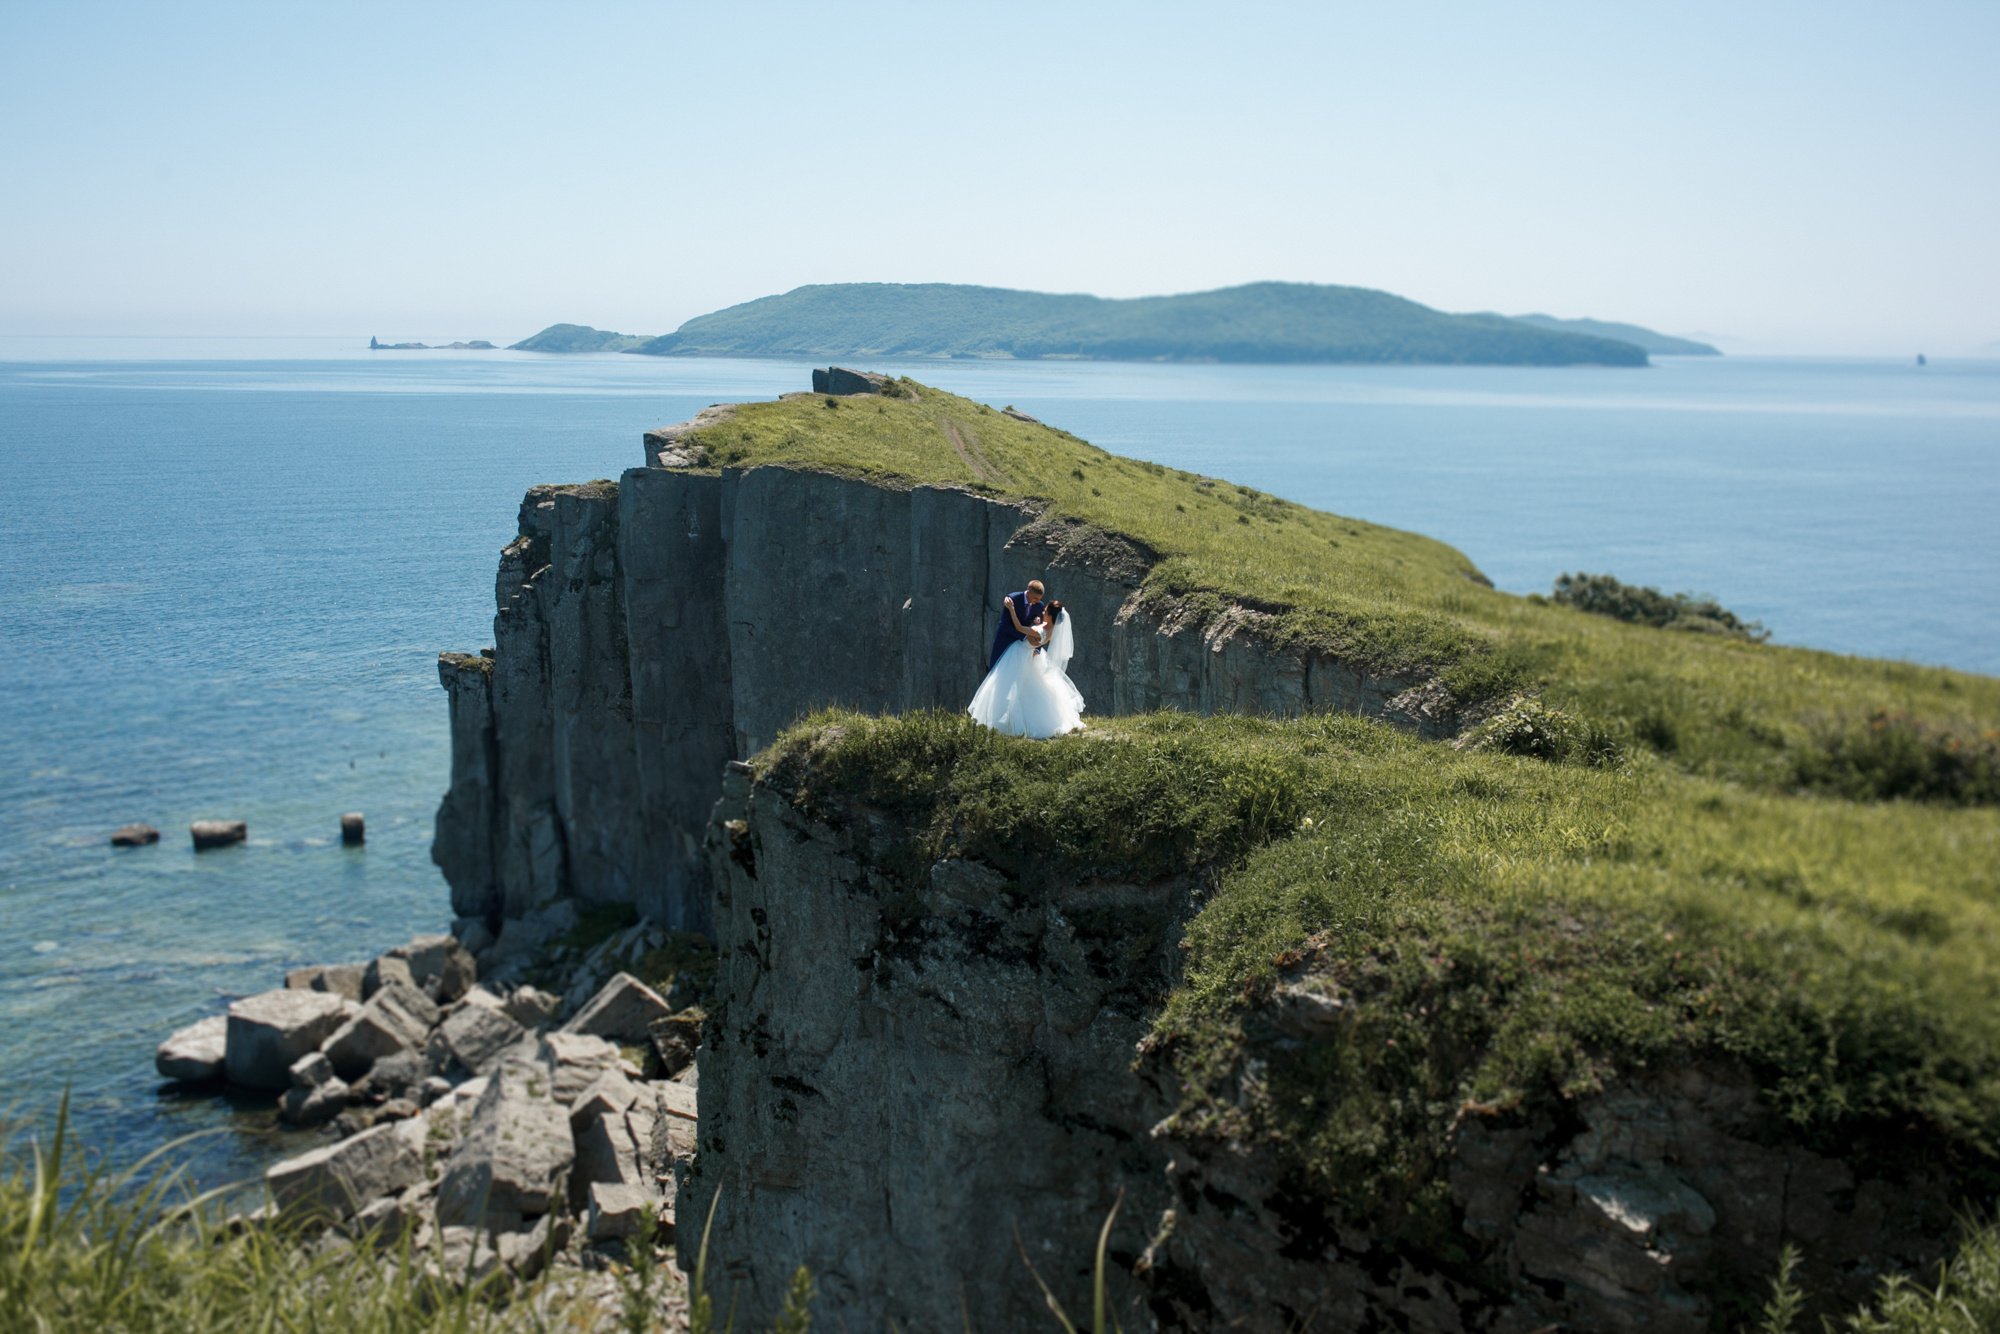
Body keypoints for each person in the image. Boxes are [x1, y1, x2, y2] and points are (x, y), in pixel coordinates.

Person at [968, 599, 1085, 738]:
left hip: (1020, 654)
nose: (1043, 612)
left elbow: (1019, 628)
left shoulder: (1043, 631)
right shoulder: (1048, 628)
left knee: (1009, 685)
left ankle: (1009, 720)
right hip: (1027, 654)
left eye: (1045, 611)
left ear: (1051, 616)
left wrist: (1011, 609)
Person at [989, 581, 1045, 670]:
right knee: (996, 671)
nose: (1038, 601)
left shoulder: (1039, 606)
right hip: (1005, 641)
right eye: (1035, 598)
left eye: (1039, 599)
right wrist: (1026, 636)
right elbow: (1005, 625)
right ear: (1028, 593)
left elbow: (1041, 630)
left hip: (1022, 648)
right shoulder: (1013, 599)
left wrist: (1037, 649)